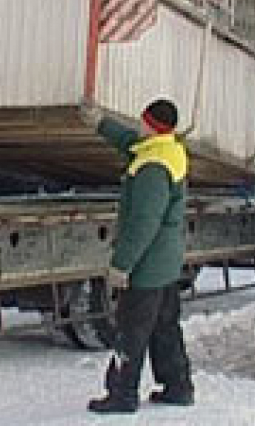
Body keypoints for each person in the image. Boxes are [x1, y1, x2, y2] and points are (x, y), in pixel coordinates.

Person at [85, 97, 194, 415]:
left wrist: (122, 264)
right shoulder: (167, 148)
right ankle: (178, 386)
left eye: (143, 120)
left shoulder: (152, 169)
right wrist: (100, 123)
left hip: (147, 265)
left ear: (152, 125)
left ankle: (122, 394)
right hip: (166, 261)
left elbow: (144, 221)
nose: (139, 125)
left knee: (131, 330)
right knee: (165, 326)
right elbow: (130, 142)